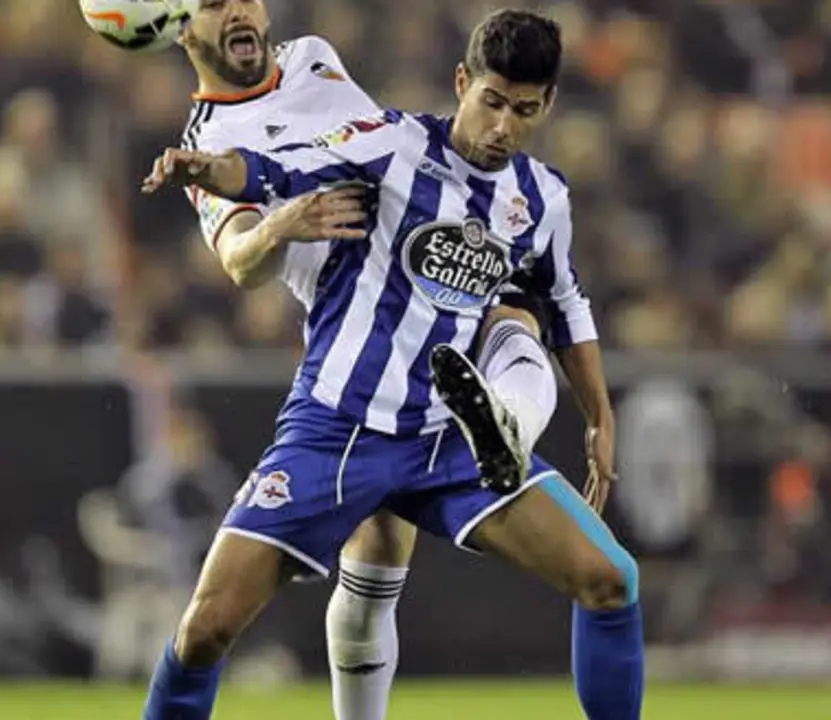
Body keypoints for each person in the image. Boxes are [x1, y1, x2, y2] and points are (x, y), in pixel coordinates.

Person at [149, 5, 641, 720]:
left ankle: (504, 428)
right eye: (492, 102)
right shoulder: (388, 143)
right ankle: (505, 424)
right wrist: (208, 171)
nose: (503, 127)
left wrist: (600, 416)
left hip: (445, 437)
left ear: (549, 106)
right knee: (205, 630)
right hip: (337, 426)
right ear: (462, 82)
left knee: (612, 577)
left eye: (524, 110)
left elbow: (566, 302)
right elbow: (269, 170)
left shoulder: (543, 198)